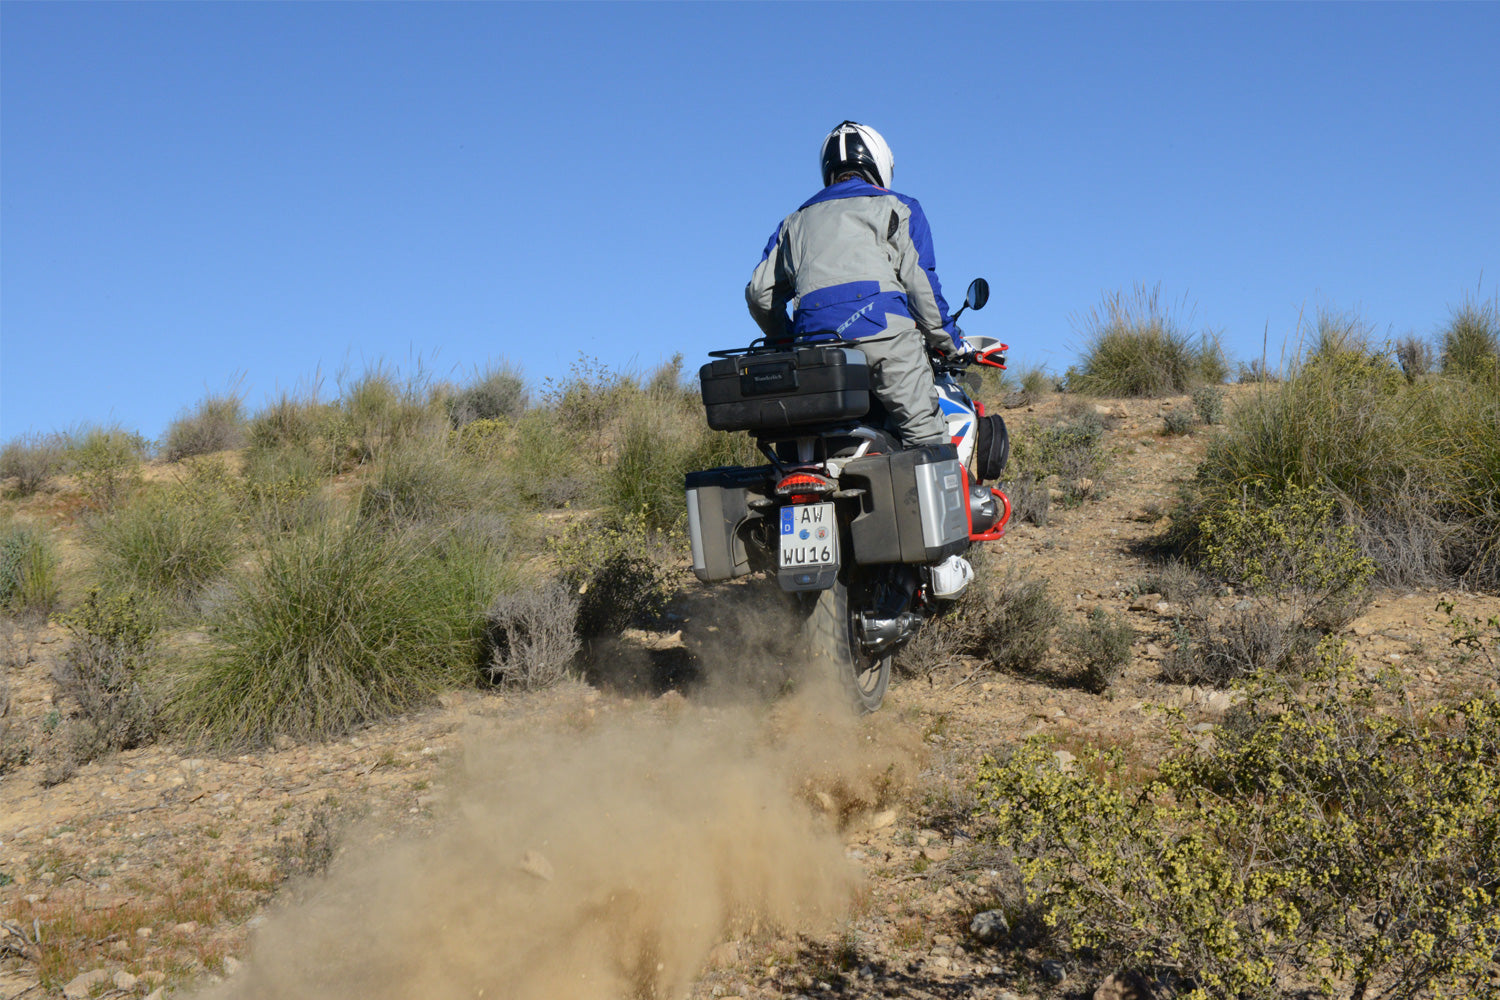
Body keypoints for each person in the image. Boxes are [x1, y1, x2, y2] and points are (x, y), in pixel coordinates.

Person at [746, 120, 973, 597]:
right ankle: (943, 561)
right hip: (886, 340)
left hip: (818, 358)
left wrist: (787, 338)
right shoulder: (897, 207)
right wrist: (948, 340)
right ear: (877, 164)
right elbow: (921, 286)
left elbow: (760, 293)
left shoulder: (794, 222)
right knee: (927, 438)